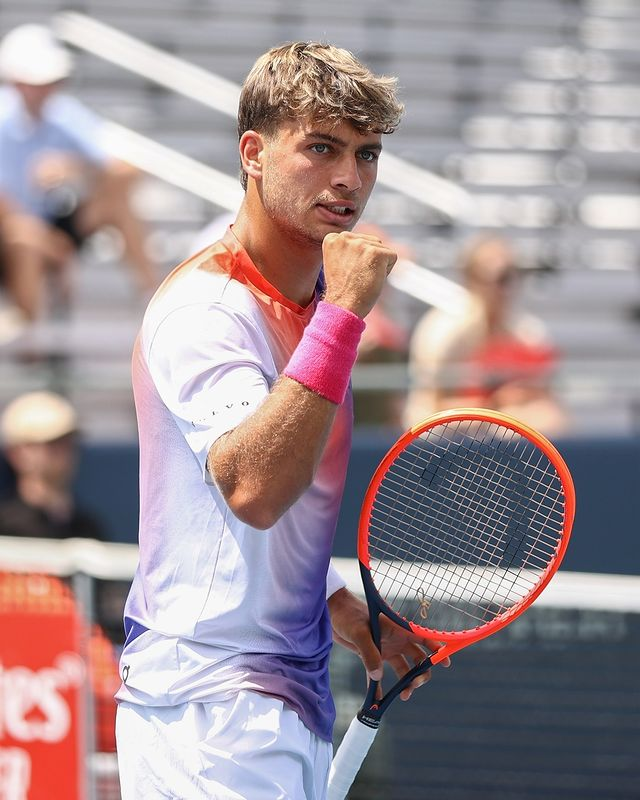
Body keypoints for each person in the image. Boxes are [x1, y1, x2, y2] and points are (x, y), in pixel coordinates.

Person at [115, 41, 449, 800]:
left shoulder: (307, 309)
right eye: (322, 148)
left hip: (266, 702)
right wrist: (344, 316)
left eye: (366, 155)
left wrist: (334, 605)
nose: (349, 178)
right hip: (207, 712)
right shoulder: (208, 311)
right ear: (254, 153)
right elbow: (255, 489)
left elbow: (241, 525)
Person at [0, 24, 158, 321]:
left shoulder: (63, 113)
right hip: (14, 232)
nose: (48, 89)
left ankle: (153, 298)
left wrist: (74, 168)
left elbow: (126, 170)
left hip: (47, 225)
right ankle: (29, 339)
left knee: (116, 203)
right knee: (24, 238)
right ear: (17, 82)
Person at [404, 234, 568, 436]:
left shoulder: (529, 333)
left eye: (514, 275)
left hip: (505, 430)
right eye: (501, 277)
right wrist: (495, 404)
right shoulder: (443, 332)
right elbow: (434, 406)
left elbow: (548, 402)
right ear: (471, 279)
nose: (507, 288)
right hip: (445, 435)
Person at [0, 390, 105, 540]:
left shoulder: (87, 526)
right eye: (52, 443)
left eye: (68, 442)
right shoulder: (6, 526)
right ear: (17, 453)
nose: (64, 452)